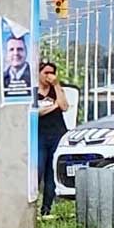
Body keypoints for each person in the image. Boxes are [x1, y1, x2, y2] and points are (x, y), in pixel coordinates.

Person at [36, 62, 69, 216]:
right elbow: (37, 112)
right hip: (40, 134)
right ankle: (32, 204)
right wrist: (54, 106)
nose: (49, 76)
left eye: (52, 73)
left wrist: (56, 86)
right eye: (45, 73)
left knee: (52, 171)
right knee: (39, 169)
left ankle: (46, 207)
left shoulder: (56, 89)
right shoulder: (33, 92)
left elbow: (64, 106)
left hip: (57, 133)